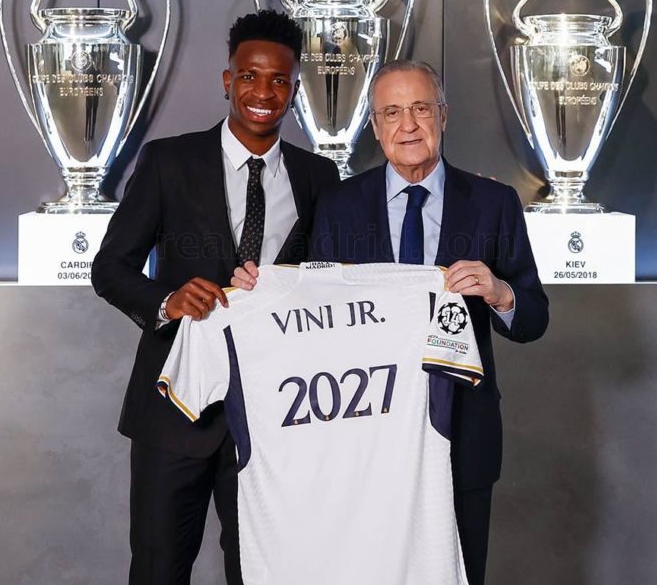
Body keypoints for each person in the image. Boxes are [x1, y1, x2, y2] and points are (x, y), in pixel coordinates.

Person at [233, 59, 548, 584]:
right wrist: (257, 291)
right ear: (376, 127)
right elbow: (307, 304)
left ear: (443, 116)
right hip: (363, 438)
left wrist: (500, 292)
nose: (408, 125)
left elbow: (533, 317)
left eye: (421, 108)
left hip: (461, 434)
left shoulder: (494, 203)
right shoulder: (338, 205)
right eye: (392, 112)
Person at [91, 9, 341, 585]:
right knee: (158, 572)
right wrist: (167, 301)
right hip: (174, 409)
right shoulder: (168, 162)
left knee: (261, 573)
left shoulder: (318, 177)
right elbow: (110, 268)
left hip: (274, 417)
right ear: (228, 80)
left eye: (279, 80)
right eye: (250, 76)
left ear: (294, 90)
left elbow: (329, 284)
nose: (263, 92)